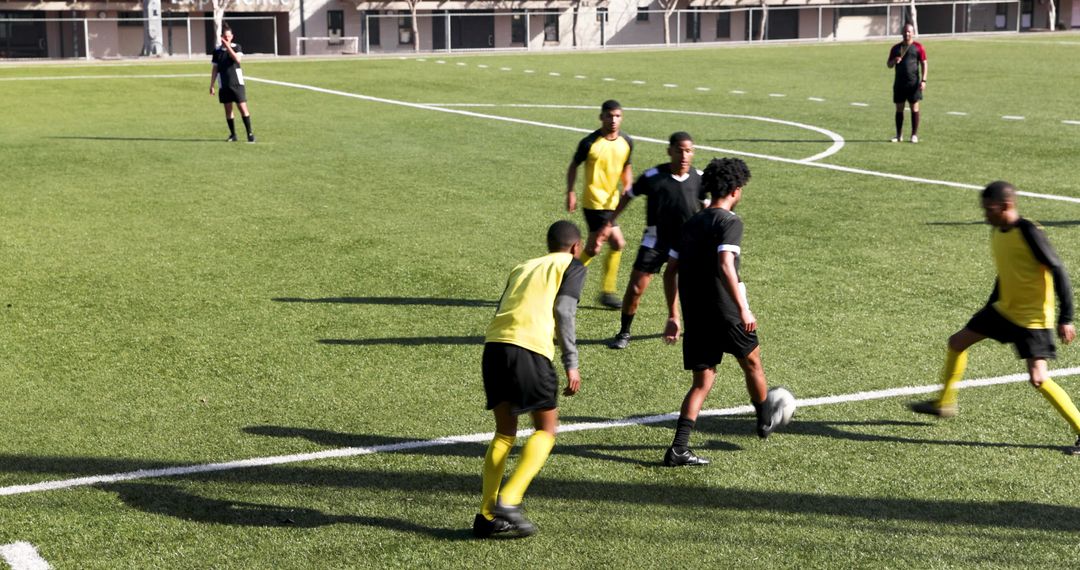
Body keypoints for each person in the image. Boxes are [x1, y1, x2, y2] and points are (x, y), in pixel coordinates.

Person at [910, 181, 1080, 455]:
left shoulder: (1028, 231)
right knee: (957, 342)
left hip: (1032, 319)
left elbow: (1058, 269)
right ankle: (944, 403)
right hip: (1004, 310)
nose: (985, 214)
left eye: (989, 209)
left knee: (1038, 378)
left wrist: (1066, 317)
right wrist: (988, 307)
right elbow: (1007, 272)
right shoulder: (997, 232)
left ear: (1006, 206)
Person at [660, 157, 784, 467]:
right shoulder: (730, 222)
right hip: (727, 312)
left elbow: (669, 270)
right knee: (752, 362)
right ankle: (764, 419)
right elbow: (726, 264)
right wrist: (743, 308)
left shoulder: (691, 223)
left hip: (695, 315)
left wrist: (673, 314)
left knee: (702, 383)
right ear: (735, 189)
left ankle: (678, 448)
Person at [474, 220, 586, 538]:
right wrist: (571, 363)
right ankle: (509, 500)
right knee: (547, 429)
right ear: (575, 246)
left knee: (504, 433)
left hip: (494, 347)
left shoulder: (523, 266)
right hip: (530, 349)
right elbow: (564, 311)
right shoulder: (572, 265)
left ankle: (486, 516)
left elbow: (501, 306)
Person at [607, 131, 707, 350]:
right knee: (635, 288)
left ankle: (687, 324)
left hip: (688, 243)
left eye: (688, 151)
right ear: (669, 151)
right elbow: (628, 195)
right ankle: (624, 332)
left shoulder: (700, 178)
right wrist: (611, 220)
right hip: (655, 241)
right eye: (679, 150)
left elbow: (708, 208)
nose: (684, 155)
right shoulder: (653, 176)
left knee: (694, 289)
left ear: (693, 152)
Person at [566, 100, 634, 309]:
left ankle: (598, 290)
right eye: (609, 116)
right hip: (594, 202)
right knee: (603, 245)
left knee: (607, 246)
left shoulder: (627, 142)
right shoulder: (589, 142)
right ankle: (570, 288)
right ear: (601, 117)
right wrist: (570, 192)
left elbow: (626, 166)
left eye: (617, 116)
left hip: (612, 203)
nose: (613, 120)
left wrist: (628, 184)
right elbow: (573, 166)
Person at [209, 23, 255, 143]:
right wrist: (212, 85)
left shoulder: (236, 47)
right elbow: (215, 68)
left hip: (237, 84)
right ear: (221, 37)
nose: (227, 38)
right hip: (224, 84)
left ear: (232, 36)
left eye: (228, 36)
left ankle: (250, 134)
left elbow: (237, 59)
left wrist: (228, 47)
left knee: (243, 108)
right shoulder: (217, 51)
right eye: (225, 37)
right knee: (228, 110)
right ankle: (233, 134)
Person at [886, 23, 927, 143]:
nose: (906, 34)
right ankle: (899, 135)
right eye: (905, 32)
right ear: (902, 33)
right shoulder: (895, 48)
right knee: (899, 109)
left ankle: (914, 135)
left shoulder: (918, 47)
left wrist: (923, 80)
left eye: (909, 32)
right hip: (899, 84)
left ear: (913, 33)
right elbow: (888, 65)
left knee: (914, 108)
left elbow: (924, 63)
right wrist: (894, 60)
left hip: (913, 84)